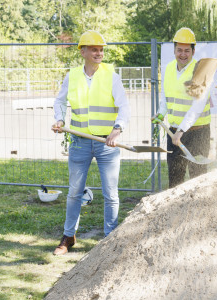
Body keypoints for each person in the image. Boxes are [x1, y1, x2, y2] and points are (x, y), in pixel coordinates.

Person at [51, 30, 130, 255]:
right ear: (83, 51)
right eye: (94, 49)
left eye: (101, 49)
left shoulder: (111, 76)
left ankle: (109, 237)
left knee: (111, 193)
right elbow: (59, 101)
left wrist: (117, 129)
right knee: (75, 191)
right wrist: (59, 119)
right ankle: (68, 236)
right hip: (79, 141)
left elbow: (124, 106)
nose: (99, 53)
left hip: (107, 143)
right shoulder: (72, 75)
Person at [151, 28, 211, 188]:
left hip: (198, 134)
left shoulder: (201, 70)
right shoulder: (169, 68)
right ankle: (177, 212)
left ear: (193, 51)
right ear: (174, 50)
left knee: (198, 181)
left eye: (186, 51)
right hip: (174, 132)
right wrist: (160, 113)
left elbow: (197, 106)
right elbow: (166, 96)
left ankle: (199, 212)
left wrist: (181, 130)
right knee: (175, 180)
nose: (182, 54)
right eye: (179, 50)